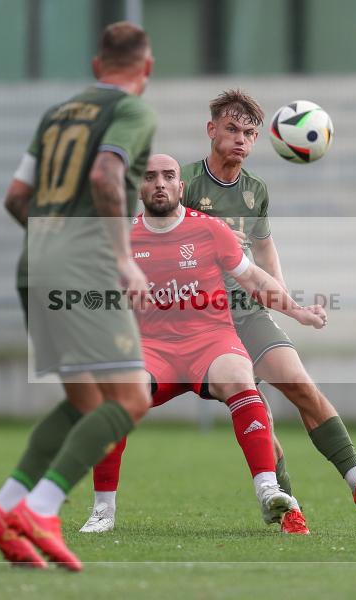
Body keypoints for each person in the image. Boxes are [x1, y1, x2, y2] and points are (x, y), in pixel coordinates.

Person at [81, 90, 356, 533]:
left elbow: (264, 252)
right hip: (199, 317)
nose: (241, 140)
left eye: (250, 133)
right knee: (258, 412)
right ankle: (289, 509)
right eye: (232, 129)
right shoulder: (183, 181)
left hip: (246, 312)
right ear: (211, 130)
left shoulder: (255, 190)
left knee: (300, 385)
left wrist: (285, 301)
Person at [0, 21, 157, 571]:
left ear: (97, 66)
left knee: (86, 405)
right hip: (84, 269)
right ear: (146, 68)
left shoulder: (55, 115)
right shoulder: (133, 111)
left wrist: (52, 242)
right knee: (132, 399)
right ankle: (41, 509)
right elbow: (105, 175)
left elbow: (15, 198)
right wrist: (121, 258)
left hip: (34, 265)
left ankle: (3, 508)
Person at [80, 154, 325, 535]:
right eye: (150, 177)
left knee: (241, 377)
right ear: (139, 189)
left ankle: (268, 490)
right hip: (153, 348)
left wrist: (298, 312)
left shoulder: (210, 229)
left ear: (181, 187)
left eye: (168, 176)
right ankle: (102, 511)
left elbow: (254, 279)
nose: (159, 183)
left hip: (210, 342)